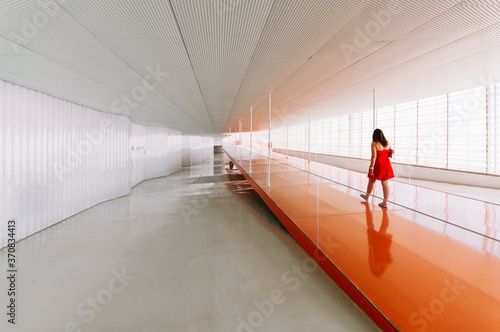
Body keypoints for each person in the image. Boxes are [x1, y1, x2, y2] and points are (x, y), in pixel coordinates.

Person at [360, 129, 394, 208]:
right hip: (386, 164)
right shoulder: (388, 143)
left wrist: (371, 167)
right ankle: (385, 202)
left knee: (371, 181)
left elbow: (374, 156)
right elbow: (389, 155)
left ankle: (367, 196)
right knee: (385, 183)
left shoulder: (374, 144)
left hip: (378, 165)